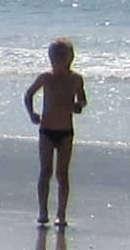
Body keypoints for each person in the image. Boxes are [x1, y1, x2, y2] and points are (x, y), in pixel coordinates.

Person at [25, 38, 88, 224]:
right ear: (50, 58)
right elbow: (28, 94)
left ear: (71, 58)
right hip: (46, 130)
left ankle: (61, 214)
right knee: (45, 171)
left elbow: (82, 100)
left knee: (62, 173)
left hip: (66, 132)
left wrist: (78, 106)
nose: (58, 61)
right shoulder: (46, 77)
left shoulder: (76, 79)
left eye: (62, 57)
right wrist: (32, 114)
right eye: (55, 57)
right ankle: (43, 212)